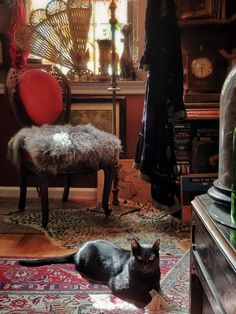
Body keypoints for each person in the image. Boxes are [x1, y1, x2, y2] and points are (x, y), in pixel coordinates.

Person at [134, 0, 186, 214]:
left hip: (164, 78)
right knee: (161, 133)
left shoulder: (163, 14)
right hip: (162, 79)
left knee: (165, 134)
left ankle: (174, 195)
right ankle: (169, 195)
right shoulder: (158, 9)